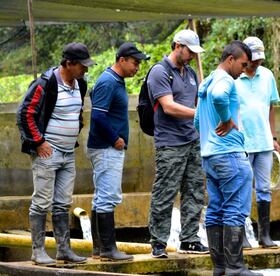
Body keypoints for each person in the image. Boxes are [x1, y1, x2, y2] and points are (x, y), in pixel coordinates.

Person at [16, 42, 95, 265]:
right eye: (82, 65)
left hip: (68, 152)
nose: (85, 70)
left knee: (63, 203)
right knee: (42, 202)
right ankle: (38, 251)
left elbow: (77, 113)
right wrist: (39, 142)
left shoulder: (80, 84)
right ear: (69, 63)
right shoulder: (46, 83)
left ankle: (64, 250)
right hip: (47, 153)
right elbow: (25, 114)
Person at [195, 41, 262, 276]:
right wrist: (226, 119)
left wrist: (209, 136)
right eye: (243, 64)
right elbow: (219, 97)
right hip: (230, 154)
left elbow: (196, 120)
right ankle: (235, 267)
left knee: (215, 210)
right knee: (234, 210)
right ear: (231, 59)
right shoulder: (223, 81)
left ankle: (220, 267)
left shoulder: (207, 80)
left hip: (210, 156)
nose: (244, 69)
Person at [147, 29, 208, 258]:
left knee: (194, 191)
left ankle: (190, 239)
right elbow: (169, 106)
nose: (192, 55)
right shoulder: (160, 72)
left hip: (193, 140)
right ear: (177, 46)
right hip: (170, 143)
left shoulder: (191, 73)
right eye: (189, 51)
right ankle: (158, 242)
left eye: (194, 52)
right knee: (165, 192)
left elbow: (197, 99)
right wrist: (197, 113)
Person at [87, 42, 149, 261]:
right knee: (107, 196)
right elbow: (97, 116)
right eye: (135, 63)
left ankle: (99, 249)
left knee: (101, 197)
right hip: (106, 147)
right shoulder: (108, 81)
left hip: (107, 147)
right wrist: (115, 139)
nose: (137, 68)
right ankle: (108, 249)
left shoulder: (115, 80)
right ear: (121, 60)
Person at [235, 36, 280, 249]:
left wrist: (273, 136)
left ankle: (264, 235)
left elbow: (271, 107)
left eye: (260, 59)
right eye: (253, 59)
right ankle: (243, 237)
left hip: (264, 142)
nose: (256, 63)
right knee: (242, 189)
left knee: (264, 189)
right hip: (242, 142)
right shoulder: (234, 77)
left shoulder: (267, 75)